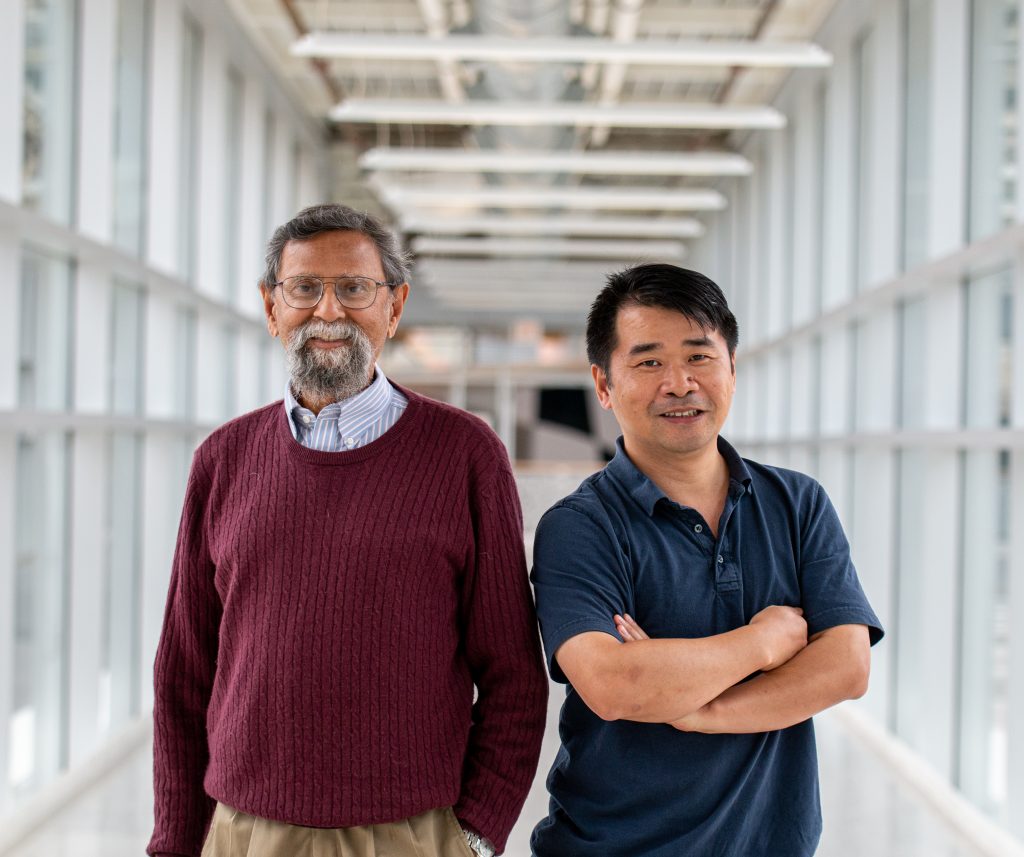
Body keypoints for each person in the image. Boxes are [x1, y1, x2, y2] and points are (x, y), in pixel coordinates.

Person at [147, 203, 548, 857]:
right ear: (272, 306)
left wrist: (474, 834)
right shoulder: (222, 459)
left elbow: (514, 673)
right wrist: (175, 841)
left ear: (394, 306)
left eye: (354, 288)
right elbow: (183, 673)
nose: (328, 312)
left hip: (413, 833)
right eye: (305, 288)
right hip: (245, 832)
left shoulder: (466, 454)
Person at [530, 263, 883, 857]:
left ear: (732, 369)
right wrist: (765, 643)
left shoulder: (797, 503)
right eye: (648, 362)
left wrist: (701, 710)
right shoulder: (580, 526)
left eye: (699, 357)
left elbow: (846, 667)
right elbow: (615, 686)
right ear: (603, 384)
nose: (679, 383)